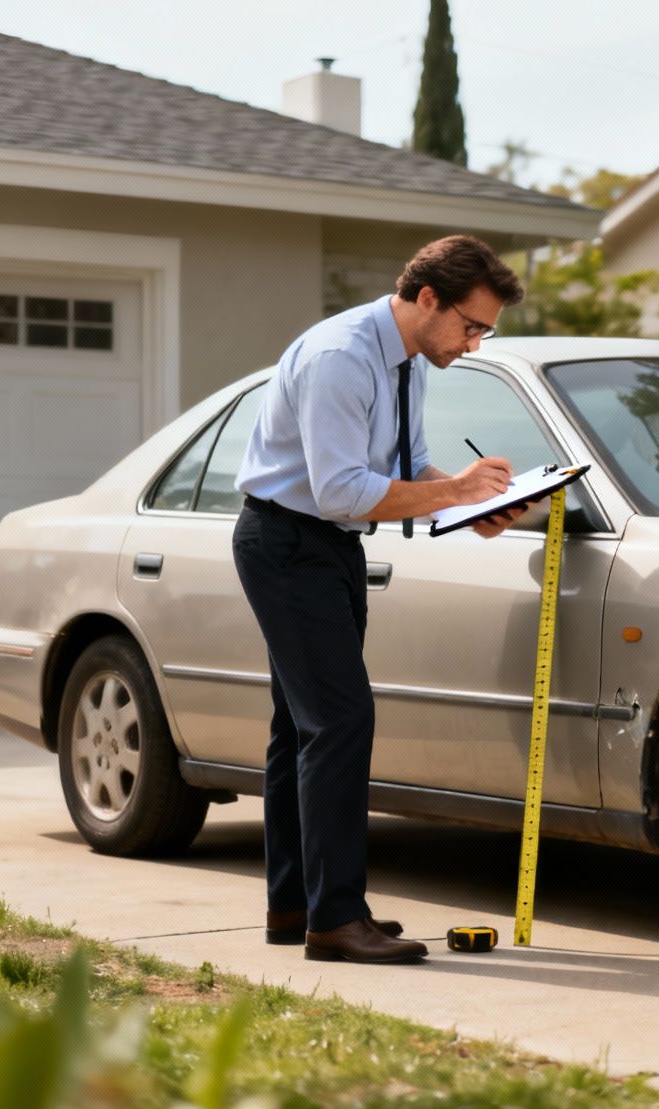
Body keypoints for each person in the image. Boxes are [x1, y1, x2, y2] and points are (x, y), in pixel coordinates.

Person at [232, 235, 528, 964]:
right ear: (428, 299)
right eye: (472, 325)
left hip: (328, 547)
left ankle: (295, 904)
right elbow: (339, 492)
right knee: (339, 721)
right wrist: (451, 491)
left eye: (486, 330)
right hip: (289, 543)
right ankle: (337, 921)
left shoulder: (411, 362)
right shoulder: (341, 357)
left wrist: (468, 503)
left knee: (298, 727)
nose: (476, 343)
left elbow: (402, 470)